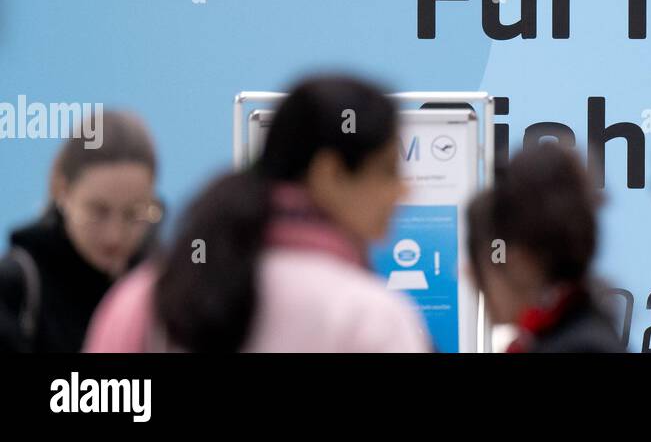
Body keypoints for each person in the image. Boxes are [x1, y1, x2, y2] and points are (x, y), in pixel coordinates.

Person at [85, 75, 430, 353]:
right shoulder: (366, 316)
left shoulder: (147, 296)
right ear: (331, 174)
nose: (404, 190)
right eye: (388, 171)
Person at [0, 112, 161, 353]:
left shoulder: (164, 282)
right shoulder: (17, 287)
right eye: (98, 211)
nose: (114, 235)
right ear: (61, 190)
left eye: (133, 214)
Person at [467, 141, 623, 353]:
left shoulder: (577, 345)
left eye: (488, 259)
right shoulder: (570, 333)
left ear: (519, 259)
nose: (470, 276)